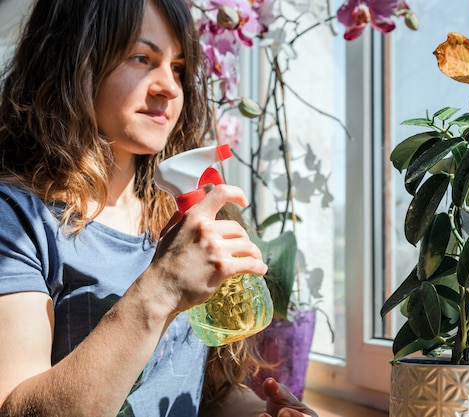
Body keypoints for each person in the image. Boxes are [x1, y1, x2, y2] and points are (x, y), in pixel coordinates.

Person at [0, 0, 317, 416]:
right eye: (141, 58)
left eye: (179, 68)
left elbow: (196, 391)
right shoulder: (17, 220)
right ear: (73, 61)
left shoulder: (184, 214)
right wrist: (163, 285)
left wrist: (260, 412)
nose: (169, 86)